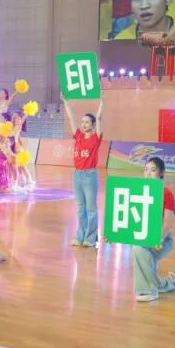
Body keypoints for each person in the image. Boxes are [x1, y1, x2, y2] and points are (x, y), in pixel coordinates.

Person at [133, 156, 175, 302]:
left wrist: (159, 239)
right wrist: (114, 234)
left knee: (139, 248)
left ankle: (149, 291)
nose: (148, 173)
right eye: (146, 169)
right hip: (144, 236)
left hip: (162, 239)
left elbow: (167, 223)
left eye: (153, 170)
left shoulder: (166, 194)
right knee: (139, 248)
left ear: (161, 173)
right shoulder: (139, 191)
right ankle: (169, 283)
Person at [62, 97, 104, 247]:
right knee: (80, 208)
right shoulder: (78, 136)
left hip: (89, 175)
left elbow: (99, 118)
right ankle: (80, 235)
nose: (84, 124)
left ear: (93, 125)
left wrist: (102, 102)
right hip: (77, 175)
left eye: (87, 122)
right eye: (83, 122)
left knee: (91, 208)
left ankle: (91, 238)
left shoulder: (96, 138)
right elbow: (71, 118)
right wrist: (66, 103)